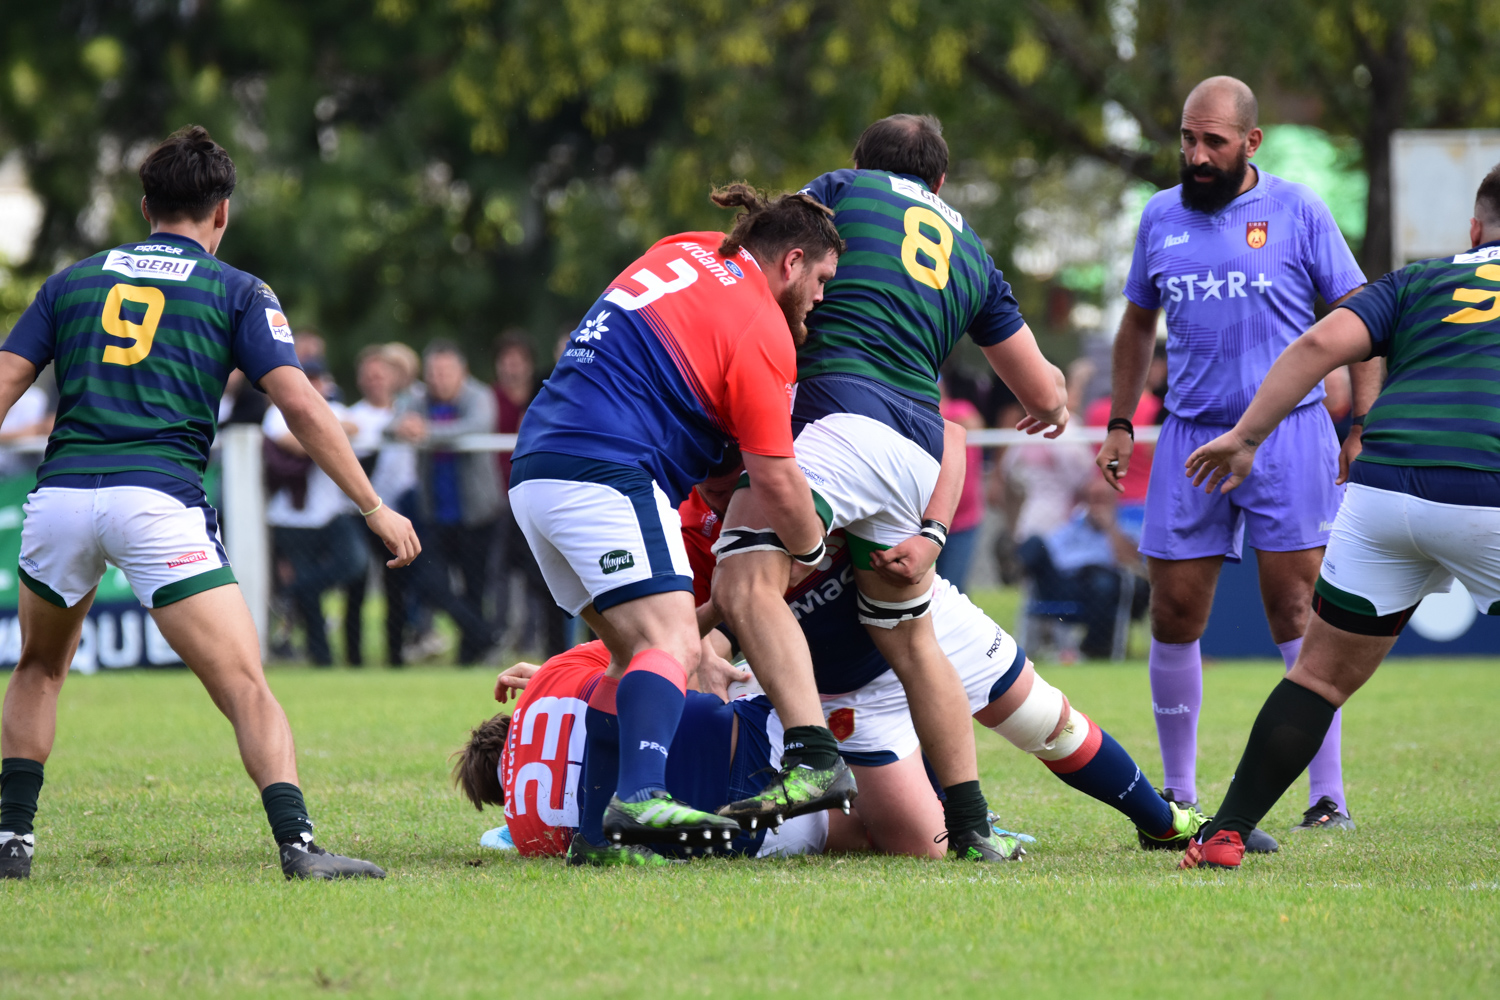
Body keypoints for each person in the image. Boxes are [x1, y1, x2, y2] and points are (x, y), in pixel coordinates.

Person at [0, 125, 418, 880]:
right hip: (157, 502)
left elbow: (5, 383)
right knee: (244, 684)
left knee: (38, 668)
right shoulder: (237, 290)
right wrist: (372, 505)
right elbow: (302, 406)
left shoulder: (72, 280)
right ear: (221, 212)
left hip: (61, 497)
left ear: (143, 205)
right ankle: (298, 847)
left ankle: (11, 842)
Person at [712, 114, 1069, 861]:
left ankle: (810, 758)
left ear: (859, 165)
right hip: (918, 450)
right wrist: (1058, 402)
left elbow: (777, 252)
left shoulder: (842, 192)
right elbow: (1042, 393)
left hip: (838, 416)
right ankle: (970, 824)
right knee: (911, 639)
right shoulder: (973, 253)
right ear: (940, 181)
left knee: (747, 577)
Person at [1178, 166, 1500, 868]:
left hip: (1382, 491)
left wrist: (1246, 436)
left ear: (1474, 231)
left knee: (1318, 678)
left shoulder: (1420, 281)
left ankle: (1223, 833)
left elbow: (1319, 345)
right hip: (1487, 488)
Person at [509, 185, 840, 851]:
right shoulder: (764, 326)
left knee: (629, 655)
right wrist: (810, 544)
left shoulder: (683, 249)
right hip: (606, 467)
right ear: (792, 260)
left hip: (536, 465)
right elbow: (775, 477)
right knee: (673, 646)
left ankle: (596, 838)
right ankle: (642, 799)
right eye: (823, 279)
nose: (822, 297)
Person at [1095, 76, 1375, 838]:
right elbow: (1135, 326)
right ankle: (1178, 798)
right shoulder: (1159, 215)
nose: (1196, 155)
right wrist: (1123, 419)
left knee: (1298, 611)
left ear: (1251, 143)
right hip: (1190, 436)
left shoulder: (1298, 210)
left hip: (1290, 436)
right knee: (1175, 611)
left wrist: (1365, 427)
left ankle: (1327, 797)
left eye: (1213, 141)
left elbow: (1360, 315)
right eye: (1188, 139)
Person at [683, 458, 1208, 859]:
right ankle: (965, 818)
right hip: (851, 684)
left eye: (736, 482)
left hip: (924, 620)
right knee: (922, 847)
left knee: (1049, 723)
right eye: (716, 491)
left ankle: (1163, 822)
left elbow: (952, 439)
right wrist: (712, 637)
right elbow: (711, 620)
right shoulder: (695, 524)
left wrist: (931, 532)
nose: (733, 501)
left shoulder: (814, 447)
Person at [390, 342, 502, 664]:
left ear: (461, 372)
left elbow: (476, 426)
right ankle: (486, 635)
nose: (438, 379)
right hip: (434, 513)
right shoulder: (418, 400)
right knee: (431, 583)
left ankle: (471, 654)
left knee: (475, 587)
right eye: (433, 373)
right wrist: (402, 426)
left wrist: (426, 432)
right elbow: (392, 422)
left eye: (445, 372)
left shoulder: (479, 397)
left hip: (477, 513)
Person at [263, 359, 367, 666]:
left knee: (355, 563)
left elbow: (354, 427)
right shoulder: (276, 411)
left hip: (329, 514)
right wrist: (324, 437)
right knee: (312, 598)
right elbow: (290, 443)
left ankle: (291, 593)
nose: (316, 386)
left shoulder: (333, 409)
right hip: (291, 517)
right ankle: (321, 657)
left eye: (319, 380)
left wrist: (315, 427)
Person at [492, 332, 566, 658]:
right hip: (535, 496)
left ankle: (596, 655)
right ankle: (552, 653)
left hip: (573, 496)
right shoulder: (545, 391)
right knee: (540, 578)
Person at [1017, 478, 1148, 660]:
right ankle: (1014, 567)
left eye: (1102, 500)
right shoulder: (1073, 527)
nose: (1096, 506)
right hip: (1068, 583)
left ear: (1114, 501)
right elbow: (1051, 550)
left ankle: (1093, 649)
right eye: (1092, 500)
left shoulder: (1125, 528)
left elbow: (1132, 562)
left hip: (1106, 588)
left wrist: (1110, 527)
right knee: (1035, 542)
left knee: (1102, 581)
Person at [343, 344, 411, 665]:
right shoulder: (353, 418)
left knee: (396, 587)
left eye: (381, 374)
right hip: (364, 513)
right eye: (369, 375)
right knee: (355, 585)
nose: (375, 381)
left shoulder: (409, 411)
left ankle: (395, 655)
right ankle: (353, 656)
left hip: (403, 509)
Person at [935, 377, 985, 591]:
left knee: (954, 588)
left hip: (962, 521)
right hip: (923, 522)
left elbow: (973, 424)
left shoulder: (961, 409)